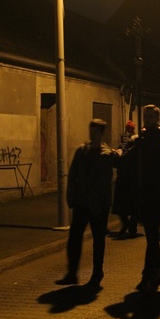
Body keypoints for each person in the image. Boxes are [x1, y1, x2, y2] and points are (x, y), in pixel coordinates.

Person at [56, 119, 116, 287]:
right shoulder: (82, 152)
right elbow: (73, 174)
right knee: (74, 238)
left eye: (95, 132)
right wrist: (71, 197)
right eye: (91, 131)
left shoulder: (107, 155)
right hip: (82, 202)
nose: (92, 135)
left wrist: (106, 201)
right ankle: (72, 272)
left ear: (101, 133)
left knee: (98, 240)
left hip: (98, 204)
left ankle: (97, 272)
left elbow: (110, 180)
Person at [130, 104, 160, 294]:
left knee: (152, 235)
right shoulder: (139, 139)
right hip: (142, 193)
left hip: (157, 195)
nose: (147, 119)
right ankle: (157, 270)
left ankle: (148, 274)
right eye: (145, 116)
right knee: (151, 237)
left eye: (150, 116)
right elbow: (129, 162)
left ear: (157, 118)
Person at [111, 120, 139, 239]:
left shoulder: (136, 142)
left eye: (130, 129)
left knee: (133, 205)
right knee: (120, 205)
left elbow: (130, 158)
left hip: (131, 177)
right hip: (123, 176)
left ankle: (131, 226)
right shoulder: (124, 144)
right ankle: (127, 224)